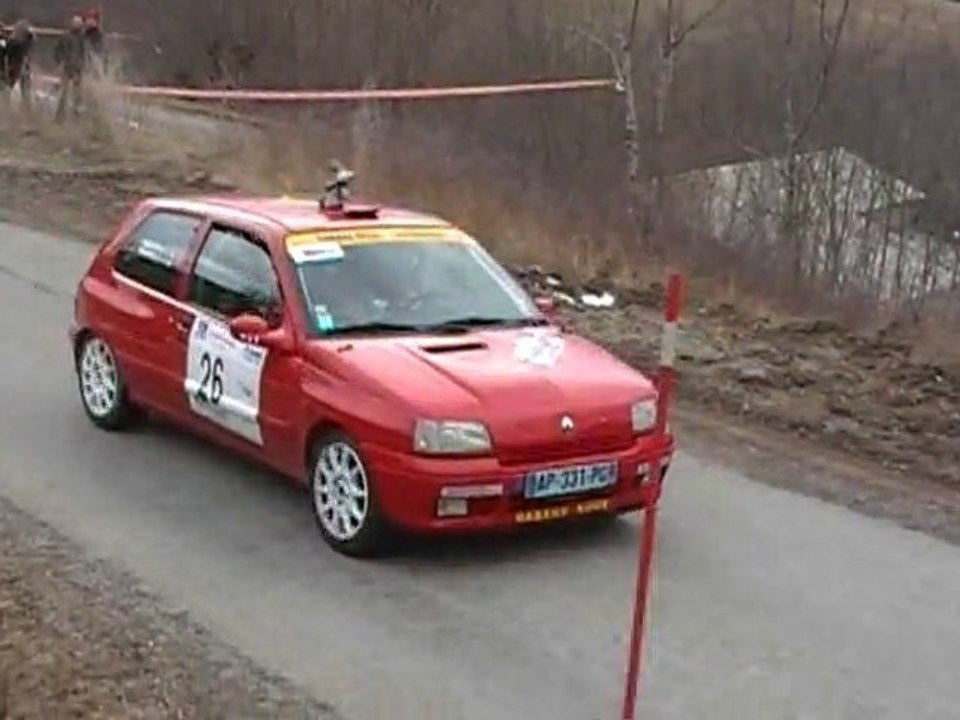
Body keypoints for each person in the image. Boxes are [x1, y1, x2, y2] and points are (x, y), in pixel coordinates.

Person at [54, 15, 86, 122]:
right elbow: (57, 51)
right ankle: (59, 116)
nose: (78, 25)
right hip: (66, 68)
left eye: (79, 24)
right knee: (63, 93)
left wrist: (83, 65)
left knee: (77, 94)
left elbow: (84, 53)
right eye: (76, 23)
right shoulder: (65, 36)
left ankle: (76, 116)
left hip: (78, 69)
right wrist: (60, 62)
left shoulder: (82, 38)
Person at [0, 19, 34, 111]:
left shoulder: (16, 42)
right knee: (11, 90)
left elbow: (8, 49)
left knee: (15, 90)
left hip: (15, 68)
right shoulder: (11, 41)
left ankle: (22, 110)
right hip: (12, 68)